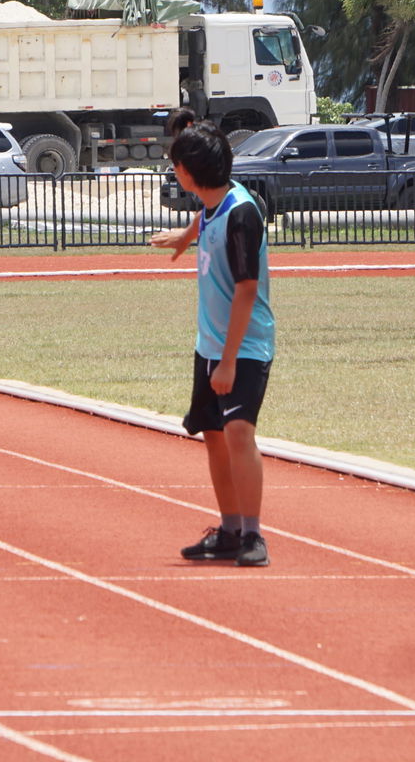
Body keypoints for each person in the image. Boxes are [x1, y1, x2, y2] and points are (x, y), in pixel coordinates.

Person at [150, 121, 276, 567]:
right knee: (215, 437)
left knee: (239, 433)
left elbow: (247, 290)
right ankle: (229, 529)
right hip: (210, 345)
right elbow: (203, 219)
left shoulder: (241, 213)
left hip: (244, 347)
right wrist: (184, 238)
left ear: (187, 171)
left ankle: (253, 536)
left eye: (175, 165)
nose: (174, 172)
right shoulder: (213, 203)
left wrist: (228, 361)